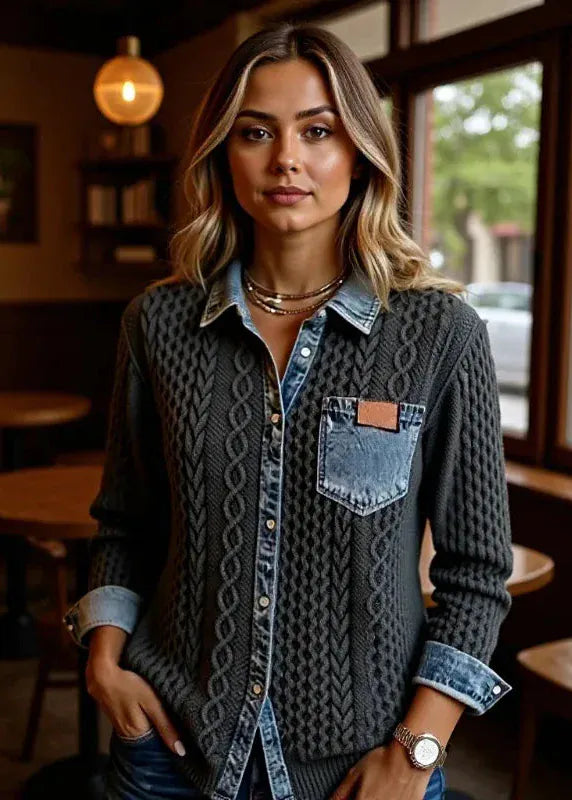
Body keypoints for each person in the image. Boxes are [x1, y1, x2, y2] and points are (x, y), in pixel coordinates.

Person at [63, 20, 514, 800]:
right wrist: (104, 659)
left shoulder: (440, 334)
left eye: (318, 130)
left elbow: (477, 574)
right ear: (221, 153)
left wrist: (418, 750)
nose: (287, 160)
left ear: (361, 151)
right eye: (255, 132)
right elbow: (126, 526)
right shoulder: (159, 324)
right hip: (171, 756)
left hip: (363, 772)